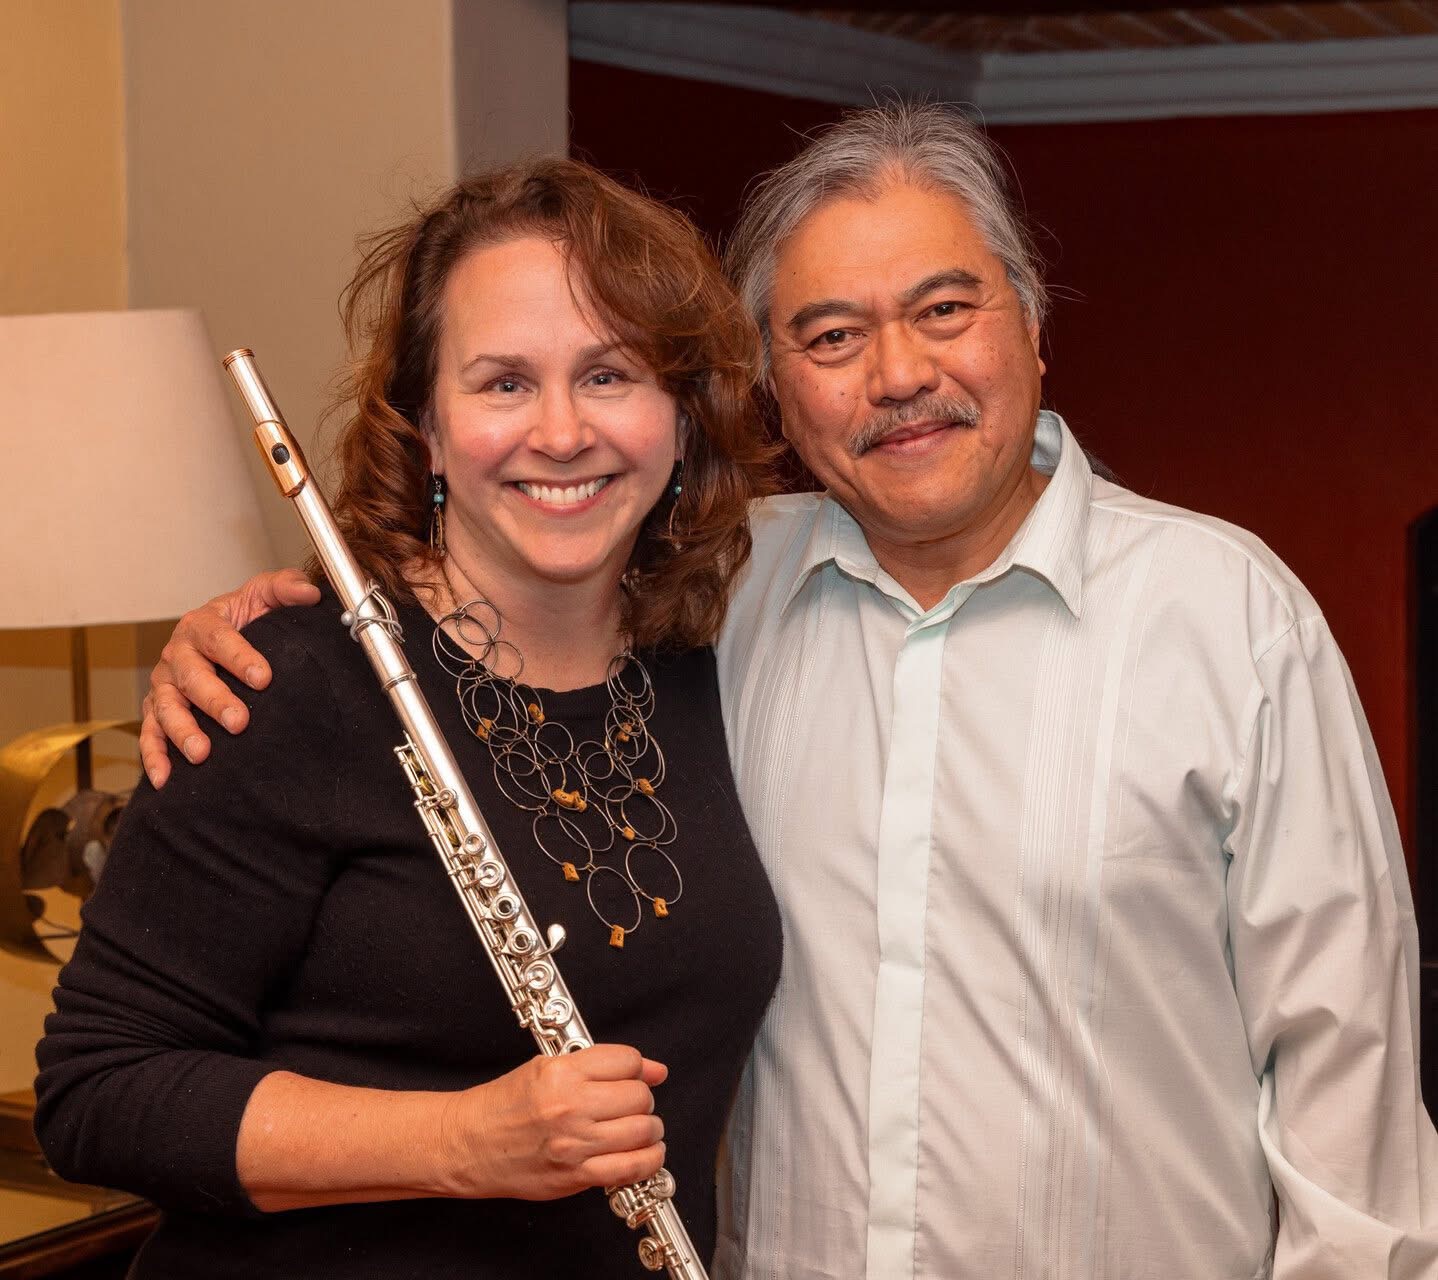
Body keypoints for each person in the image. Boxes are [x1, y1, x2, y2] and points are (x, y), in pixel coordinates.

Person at [137, 104, 1438, 1279]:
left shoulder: (1226, 613)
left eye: (944, 309)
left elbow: (1349, 1086)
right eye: (830, 335)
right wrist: (263, 615)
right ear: (770, 378)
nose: (897, 376)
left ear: (1031, 322)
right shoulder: (707, 595)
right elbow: (482, 573)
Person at [34, 157, 783, 1279]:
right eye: (502, 382)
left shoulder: (724, 658)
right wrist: (462, 1142)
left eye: (611, 373)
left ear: (683, 413)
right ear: (425, 424)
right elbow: (98, 1089)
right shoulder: (283, 682)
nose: (563, 431)